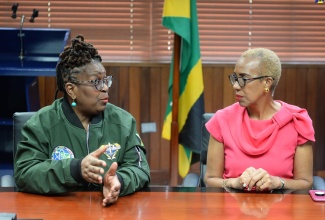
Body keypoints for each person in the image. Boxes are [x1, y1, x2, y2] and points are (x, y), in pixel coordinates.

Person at [14, 35, 150, 206]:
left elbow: (140, 168)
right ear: (71, 90)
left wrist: (119, 181)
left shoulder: (123, 122)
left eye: (106, 80)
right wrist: (75, 169)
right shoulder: (42, 123)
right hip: (58, 212)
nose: (105, 87)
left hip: (108, 211)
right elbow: (24, 174)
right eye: (96, 82)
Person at [204, 48, 315, 191]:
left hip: (281, 210)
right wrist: (233, 182)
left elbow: (305, 182)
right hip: (232, 209)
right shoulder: (222, 119)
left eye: (243, 79)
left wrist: (278, 182)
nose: (236, 86)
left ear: (267, 82)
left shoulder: (297, 121)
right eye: (235, 78)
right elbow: (210, 179)